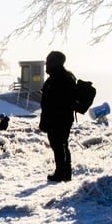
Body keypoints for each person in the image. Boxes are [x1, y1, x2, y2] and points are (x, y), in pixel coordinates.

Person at [39, 51, 78, 182]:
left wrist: (47, 120)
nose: (46, 64)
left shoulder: (57, 78)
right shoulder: (67, 76)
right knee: (62, 144)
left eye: (48, 61)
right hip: (64, 118)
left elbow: (53, 102)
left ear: (54, 62)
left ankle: (61, 173)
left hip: (57, 119)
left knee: (58, 145)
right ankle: (66, 173)